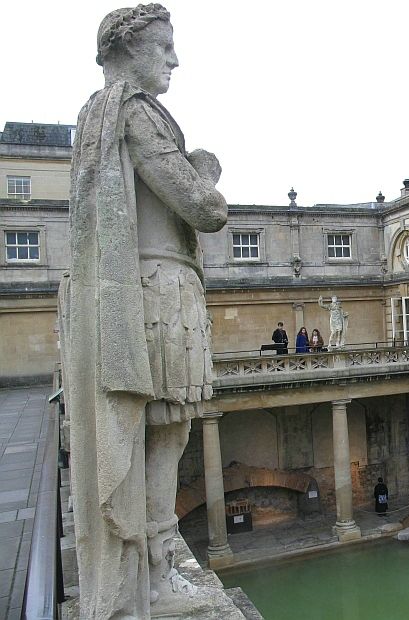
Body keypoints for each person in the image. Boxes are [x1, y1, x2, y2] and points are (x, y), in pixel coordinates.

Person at [65, 4, 227, 616]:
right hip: (156, 290)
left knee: (165, 426)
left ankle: (153, 567)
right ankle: (156, 573)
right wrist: (208, 175)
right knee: (165, 426)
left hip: (147, 287)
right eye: (164, 47)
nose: (174, 59)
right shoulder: (134, 112)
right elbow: (203, 209)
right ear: (130, 48)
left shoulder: (99, 114)